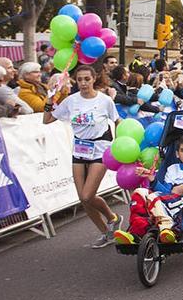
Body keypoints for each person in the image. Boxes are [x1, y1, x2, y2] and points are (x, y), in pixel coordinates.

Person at [43, 65, 124, 248]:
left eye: (87, 79)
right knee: (83, 199)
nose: (83, 83)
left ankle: (113, 217)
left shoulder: (105, 101)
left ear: (94, 79)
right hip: (80, 150)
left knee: (88, 196)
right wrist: (50, 99)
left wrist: (118, 144)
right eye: (79, 80)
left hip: (100, 148)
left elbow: (117, 121)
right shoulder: (71, 101)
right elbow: (47, 120)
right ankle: (106, 233)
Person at [113, 135, 183, 244]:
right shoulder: (172, 169)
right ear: (177, 154)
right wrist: (151, 178)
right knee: (139, 192)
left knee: (153, 197)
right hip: (170, 198)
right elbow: (165, 190)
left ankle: (167, 228)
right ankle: (135, 232)